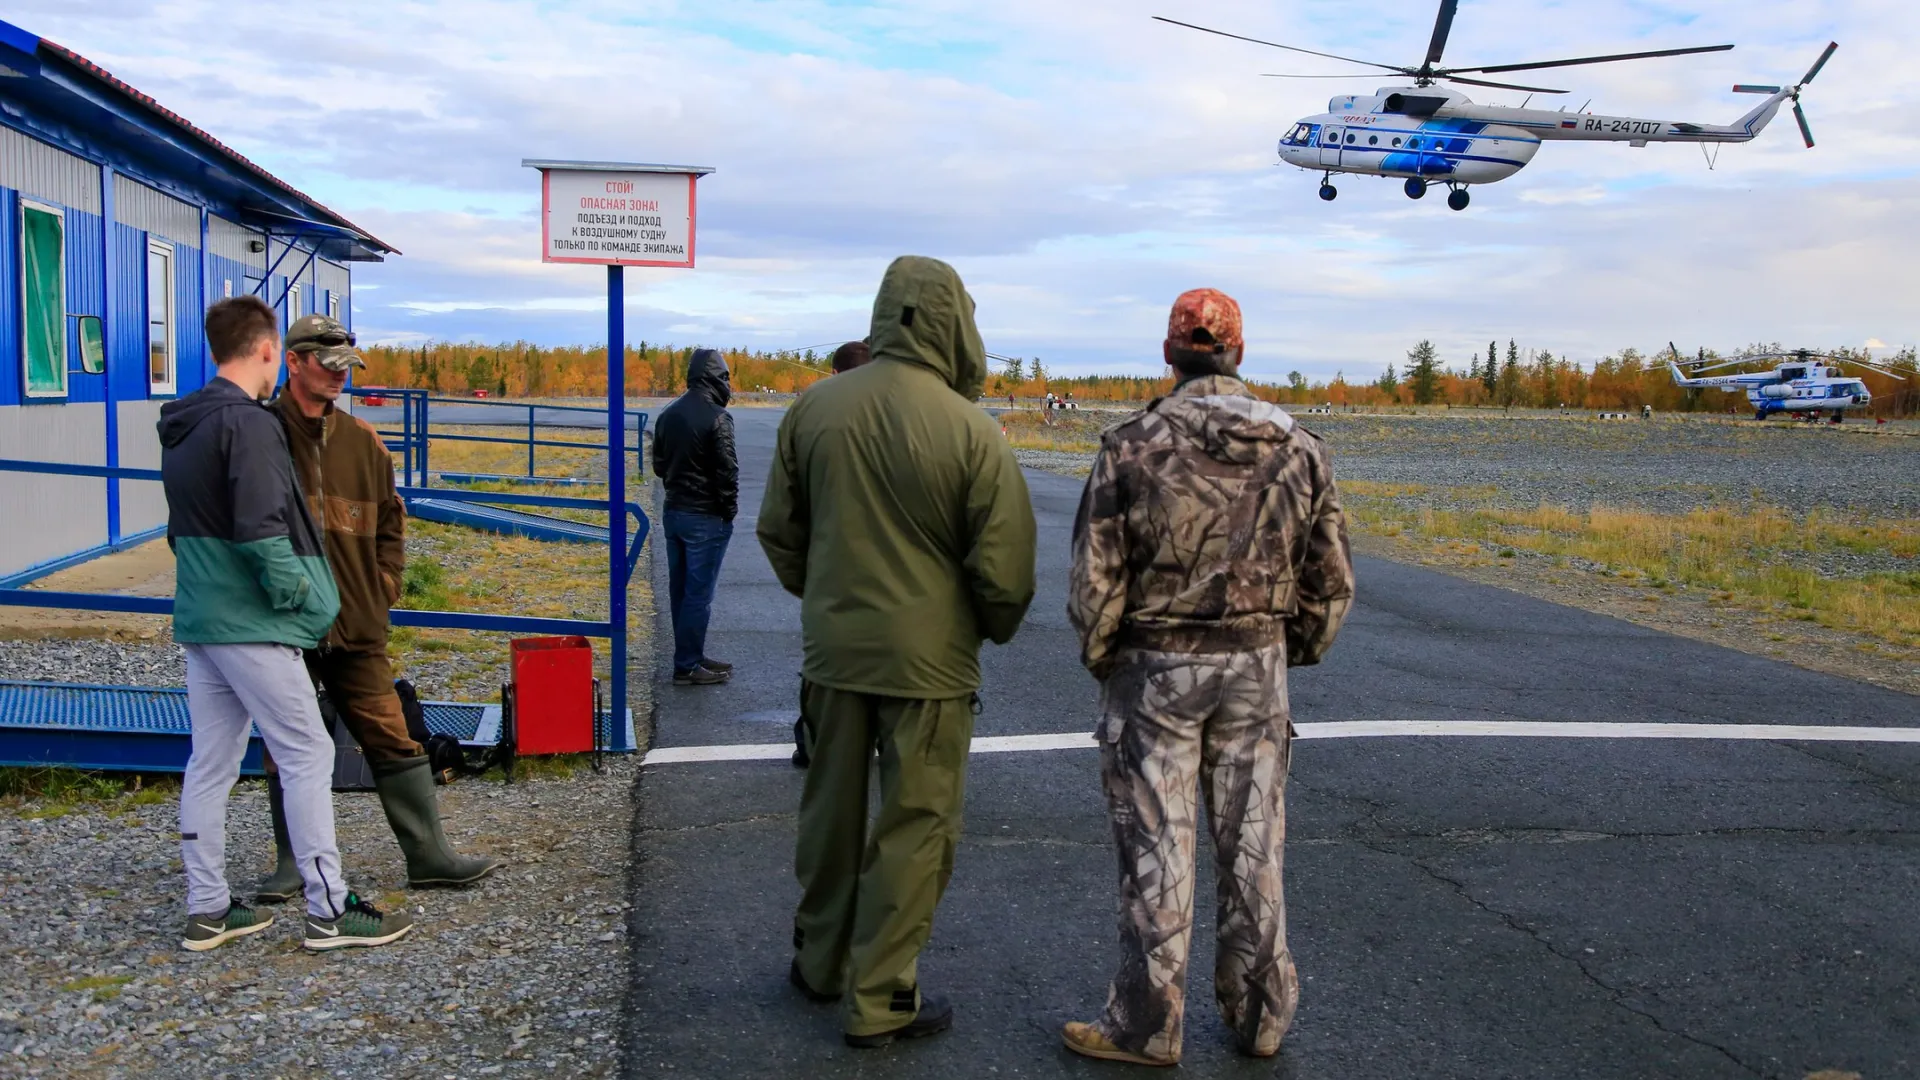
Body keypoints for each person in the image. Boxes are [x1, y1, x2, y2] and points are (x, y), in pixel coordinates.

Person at [1063, 288, 1353, 1065]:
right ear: (1239, 353)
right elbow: (1331, 582)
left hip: (1155, 671)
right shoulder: (1300, 446)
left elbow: (1094, 584)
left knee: (1158, 847)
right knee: (1254, 844)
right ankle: (1261, 1015)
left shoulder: (1131, 444)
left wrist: (1109, 660)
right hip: (1255, 668)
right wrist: (1284, 652)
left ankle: (1147, 1026)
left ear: (1170, 353)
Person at [758, 255, 1037, 1048]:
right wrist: (981, 626)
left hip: (835, 653)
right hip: (931, 666)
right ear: (954, 323)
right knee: (916, 825)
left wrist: (826, 599)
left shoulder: (814, 412)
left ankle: (819, 964)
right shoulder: (971, 429)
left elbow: (781, 531)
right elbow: (1005, 569)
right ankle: (881, 998)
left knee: (828, 814)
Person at [160, 296, 412, 952]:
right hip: (252, 623)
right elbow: (262, 533)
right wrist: (312, 602)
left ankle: (208, 905)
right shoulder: (249, 425)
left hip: (203, 620)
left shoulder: (187, 425)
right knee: (308, 752)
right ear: (271, 351)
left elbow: (181, 532)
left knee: (210, 762)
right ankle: (329, 909)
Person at [249, 314, 499, 901]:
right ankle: (294, 866)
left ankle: (429, 855)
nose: (340, 378)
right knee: (287, 742)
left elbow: (391, 521)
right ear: (294, 362)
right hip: (281, 624)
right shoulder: (258, 437)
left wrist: (385, 582)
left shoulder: (363, 443)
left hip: (357, 622)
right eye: (328, 366)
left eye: (347, 369)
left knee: (392, 735)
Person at [652, 348, 740, 686]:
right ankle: (687, 665)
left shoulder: (668, 414)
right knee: (698, 595)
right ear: (717, 377)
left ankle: (690, 656)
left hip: (674, 510)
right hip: (706, 516)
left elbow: (659, 465)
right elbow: (727, 471)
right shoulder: (717, 416)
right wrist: (727, 511)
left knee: (681, 590)